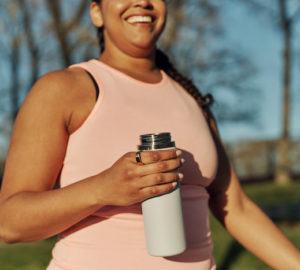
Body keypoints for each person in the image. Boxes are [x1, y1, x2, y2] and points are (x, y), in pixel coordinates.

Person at [0, 0, 299, 269]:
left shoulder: (191, 98)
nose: (142, 2)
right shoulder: (63, 89)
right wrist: (102, 189)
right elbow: (10, 223)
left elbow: (237, 208)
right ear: (96, 12)